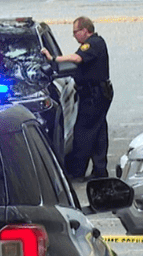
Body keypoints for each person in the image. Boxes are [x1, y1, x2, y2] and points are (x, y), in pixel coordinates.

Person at [43, 16, 112, 180]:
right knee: (98, 132)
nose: (74, 36)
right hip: (97, 94)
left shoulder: (93, 43)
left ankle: (77, 171)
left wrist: (53, 59)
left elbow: (77, 58)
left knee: (83, 132)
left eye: (75, 32)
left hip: (94, 96)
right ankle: (100, 170)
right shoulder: (96, 43)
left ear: (85, 30)